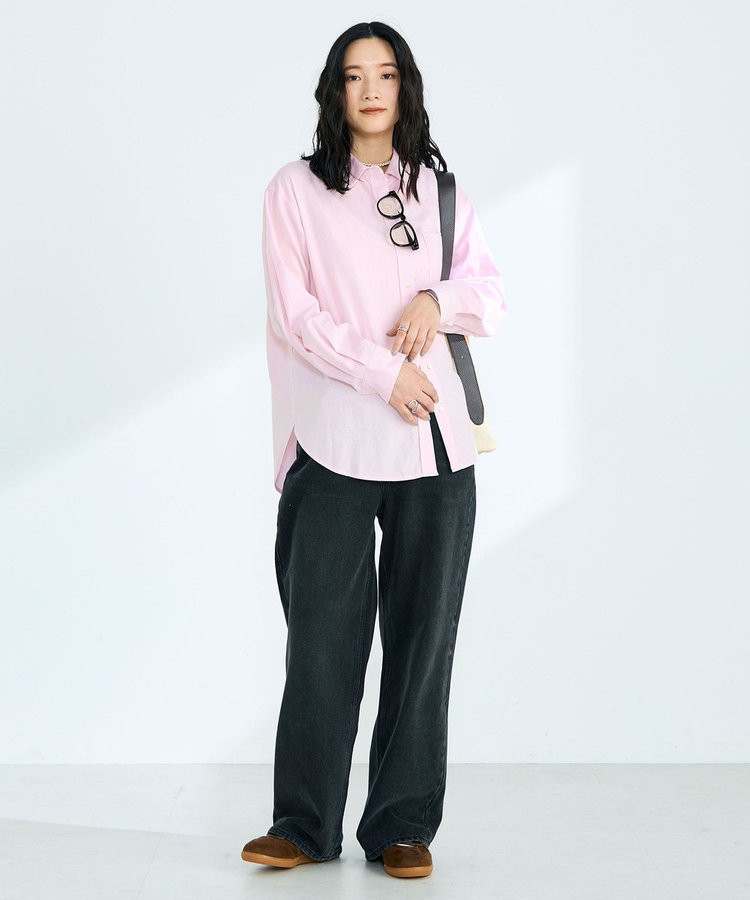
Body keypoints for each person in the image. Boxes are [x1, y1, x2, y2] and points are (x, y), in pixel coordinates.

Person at [241, 21, 507, 879]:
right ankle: (302, 824)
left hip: (437, 450)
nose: (370, 90)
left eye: (385, 74)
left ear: (405, 87)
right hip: (334, 440)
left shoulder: (439, 188)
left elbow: (489, 293)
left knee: (425, 643)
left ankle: (401, 826)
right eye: (354, 76)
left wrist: (437, 298)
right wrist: (381, 373)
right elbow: (297, 317)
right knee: (321, 639)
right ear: (335, 90)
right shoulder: (295, 191)